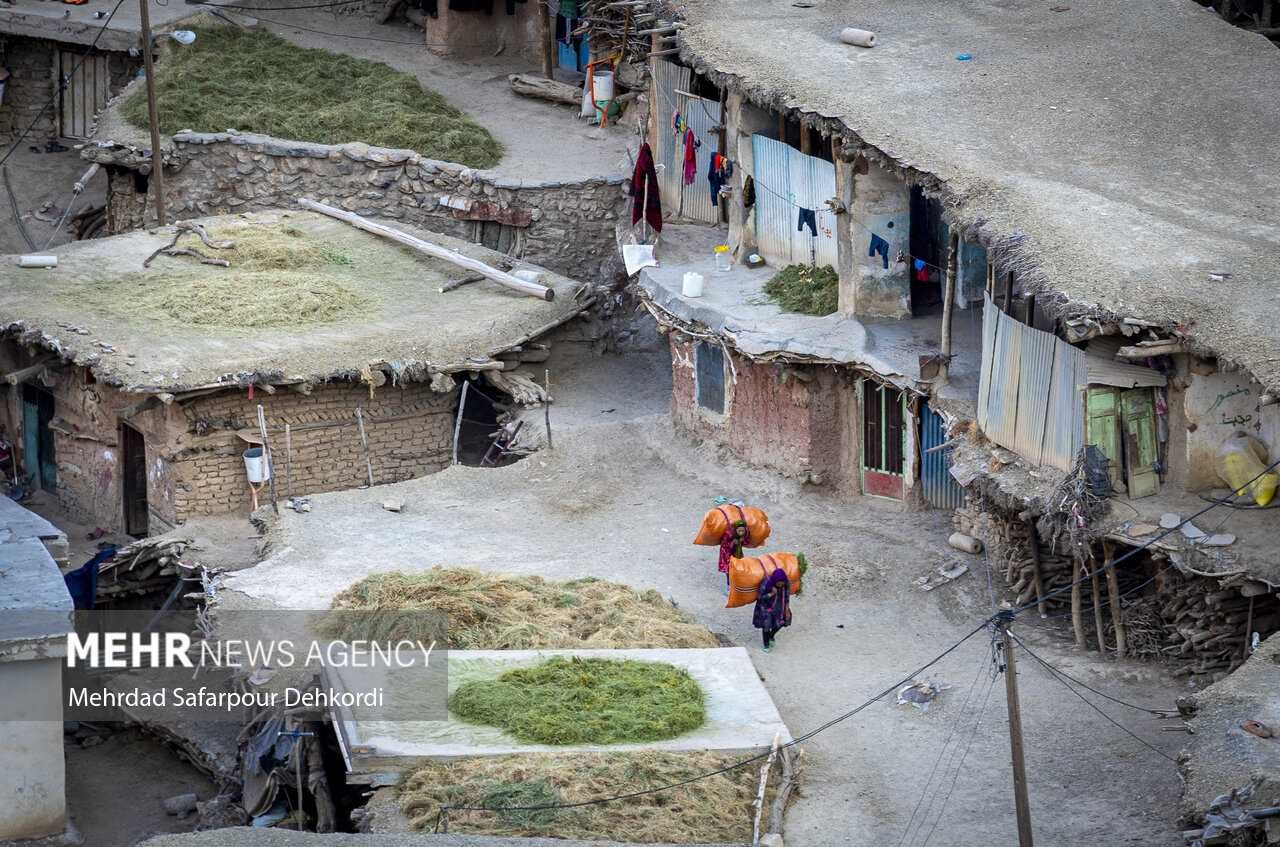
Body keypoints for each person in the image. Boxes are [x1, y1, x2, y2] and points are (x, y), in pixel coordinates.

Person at [753, 567, 792, 652]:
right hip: (765, 607)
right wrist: (771, 594)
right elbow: (760, 598)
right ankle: (766, 645)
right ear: (774, 581)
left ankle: (771, 635)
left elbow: (787, 595)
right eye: (779, 583)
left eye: (782, 583)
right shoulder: (766, 584)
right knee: (766, 625)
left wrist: (786, 609)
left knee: (783, 621)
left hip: (779, 604)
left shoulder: (786, 583)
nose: (780, 585)